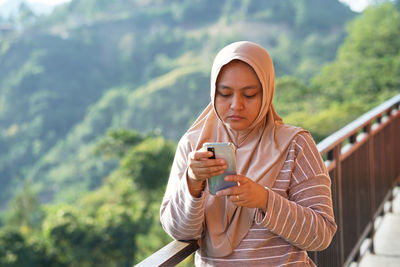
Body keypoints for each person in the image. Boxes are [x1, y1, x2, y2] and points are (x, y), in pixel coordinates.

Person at [160, 41, 337, 266]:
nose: (236, 105)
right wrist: (192, 183)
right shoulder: (194, 145)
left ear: (267, 92)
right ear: (213, 92)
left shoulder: (295, 144)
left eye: (250, 94)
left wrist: (264, 200)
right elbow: (179, 232)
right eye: (224, 94)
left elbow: (321, 235)